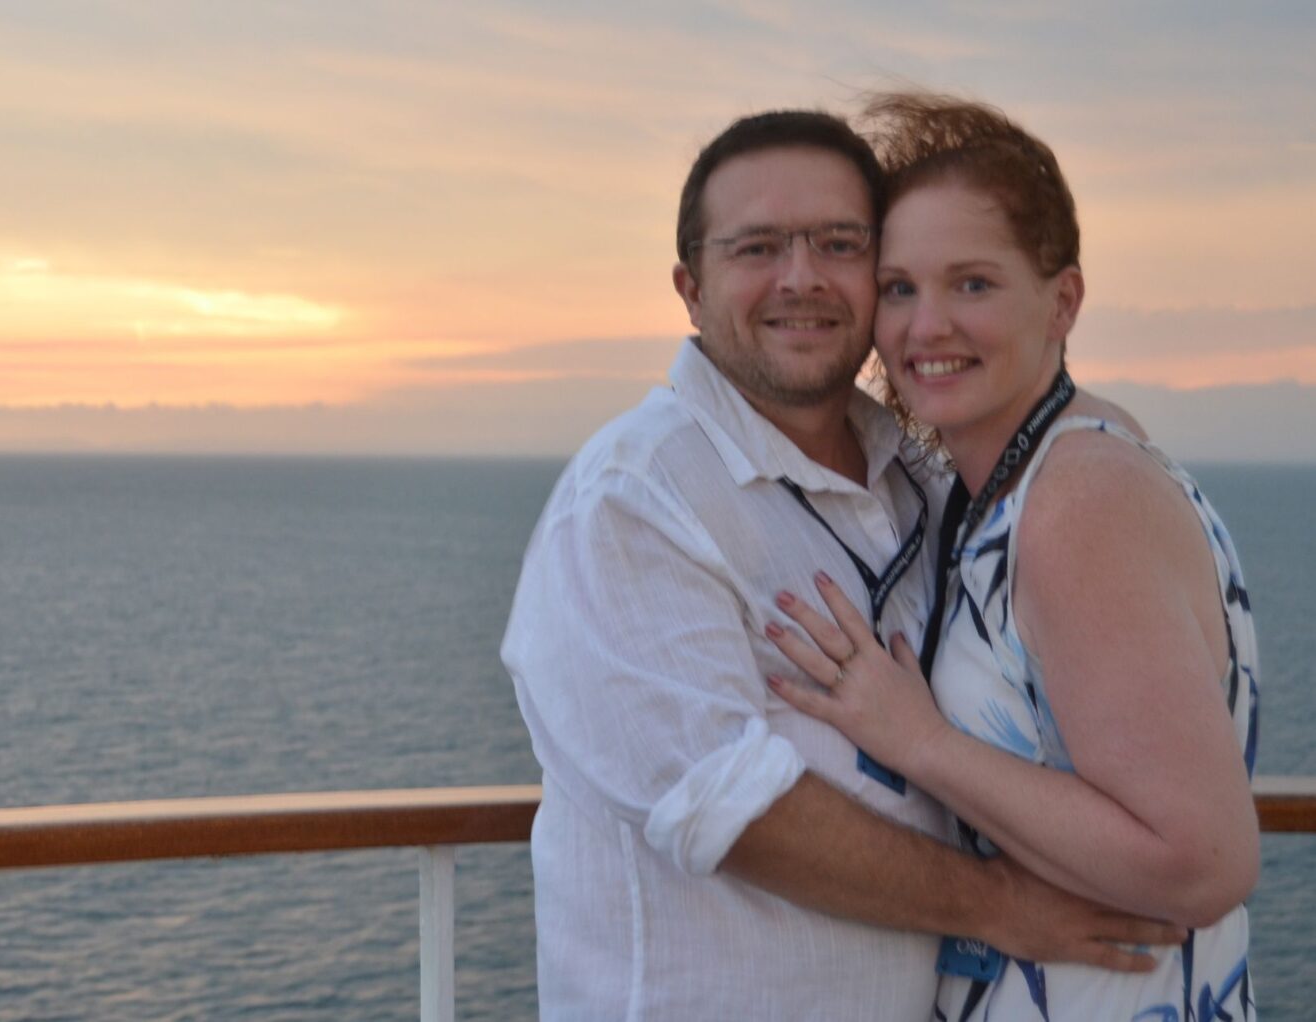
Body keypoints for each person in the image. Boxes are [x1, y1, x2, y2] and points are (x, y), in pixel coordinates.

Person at [502, 109, 1182, 1020]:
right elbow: (733, 812)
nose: (802, 278)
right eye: (757, 248)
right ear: (690, 287)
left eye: (839, 243)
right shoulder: (635, 499)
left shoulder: (920, 477)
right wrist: (1004, 910)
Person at [764, 93, 1259, 1020]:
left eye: (973, 284)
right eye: (902, 287)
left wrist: (919, 741)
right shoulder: (1060, 457)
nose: (925, 327)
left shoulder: (1078, 498)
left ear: (1062, 299)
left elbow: (1203, 863)